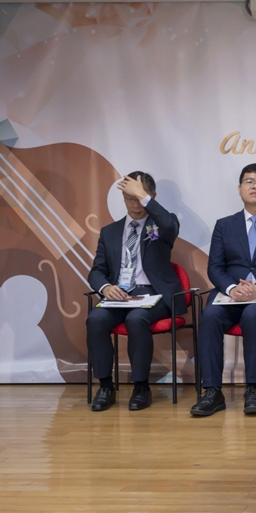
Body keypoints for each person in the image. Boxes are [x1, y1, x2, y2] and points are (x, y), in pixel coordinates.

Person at [86, 171, 182, 412]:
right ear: (123, 199)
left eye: (140, 198)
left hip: (154, 294)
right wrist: (106, 287)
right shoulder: (109, 232)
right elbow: (96, 271)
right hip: (120, 295)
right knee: (95, 319)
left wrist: (143, 196)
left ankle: (141, 387)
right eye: (130, 199)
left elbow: (171, 225)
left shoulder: (163, 225)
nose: (136, 205)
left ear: (152, 197)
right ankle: (105, 386)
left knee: (136, 319)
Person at [190, 163, 256, 417]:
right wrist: (231, 287)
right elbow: (215, 267)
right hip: (230, 294)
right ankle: (212, 391)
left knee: (253, 316)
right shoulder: (224, 225)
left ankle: (253, 390)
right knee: (210, 316)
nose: (255, 186)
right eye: (249, 181)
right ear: (240, 189)